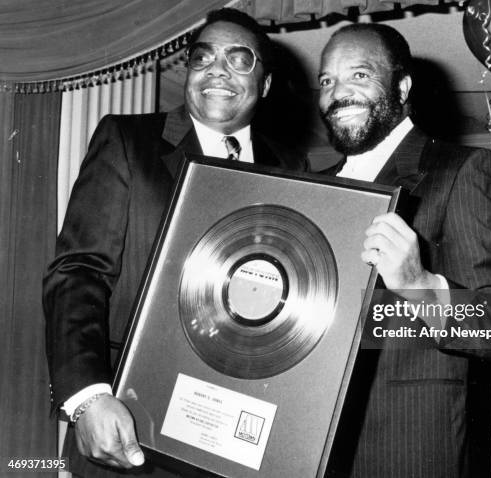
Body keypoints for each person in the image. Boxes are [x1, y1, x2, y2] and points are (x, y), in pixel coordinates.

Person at [43, 8, 305, 478]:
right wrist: (87, 398)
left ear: (265, 84)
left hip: (239, 439)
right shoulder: (128, 140)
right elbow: (79, 273)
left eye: (239, 59)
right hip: (127, 428)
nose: (216, 70)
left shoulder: (293, 168)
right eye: (202, 58)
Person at [318, 23, 491, 477]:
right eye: (327, 81)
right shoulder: (311, 188)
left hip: (404, 446)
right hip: (306, 440)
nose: (338, 93)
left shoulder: (462, 170)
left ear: (401, 88)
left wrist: (419, 285)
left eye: (359, 76)